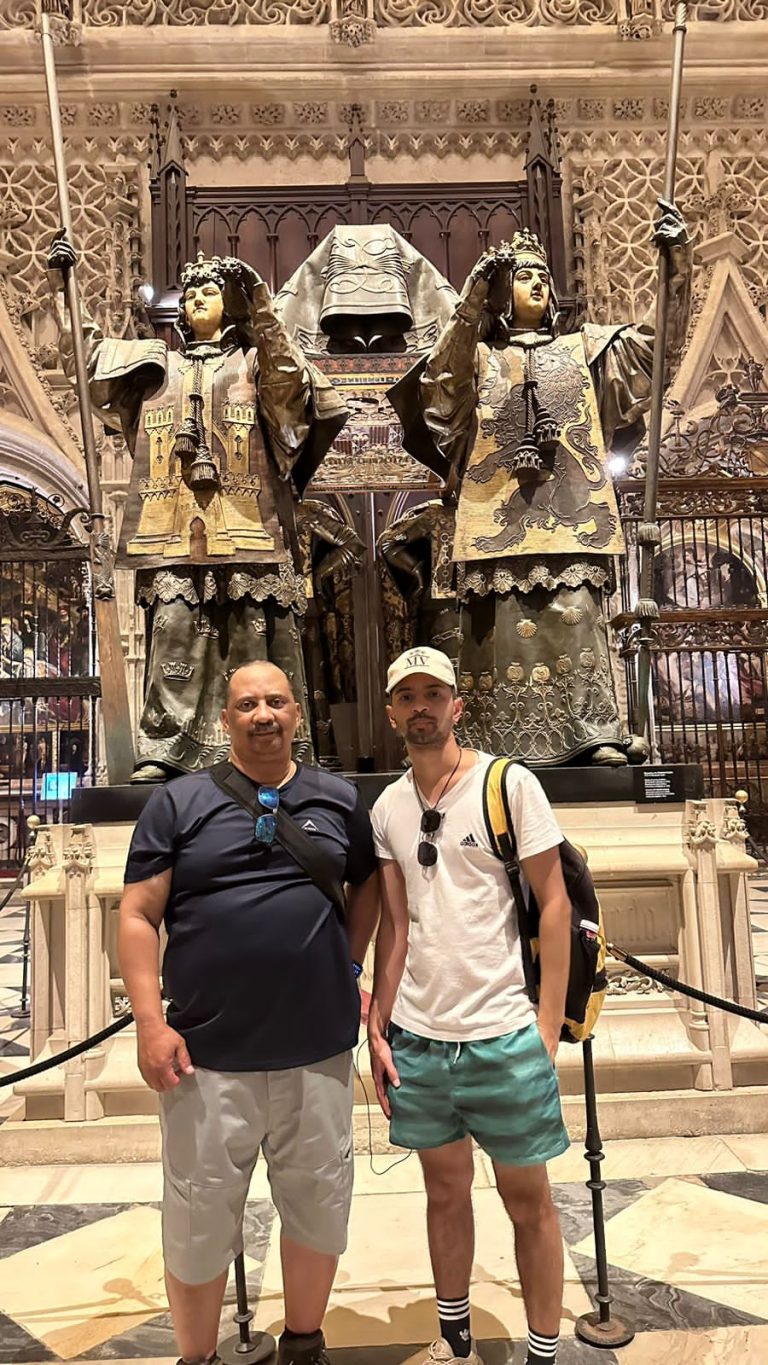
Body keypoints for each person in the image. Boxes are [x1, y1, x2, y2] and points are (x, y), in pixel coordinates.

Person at [118, 660, 379, 1365]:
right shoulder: (178, 804)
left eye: (276, 701)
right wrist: (150, 1023)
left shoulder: (338, 799)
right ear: (224, 719)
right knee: (199, 1215)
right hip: (206, 1055)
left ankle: (304, 1343)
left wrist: (349, 964)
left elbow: (369, 886)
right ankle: (197, 1357)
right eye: (246, 704)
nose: (263, 714)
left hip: (316, 1048)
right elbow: (138, 913)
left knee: (318, 1205)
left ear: (296, 714)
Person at [390, 204, 691, 767]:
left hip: (572, 515)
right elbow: (438, 390)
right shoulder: (478, 358)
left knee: (575, 622)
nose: (535, 285)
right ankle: (492, 737)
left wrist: (675, 263)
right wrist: (471, 302)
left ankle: (592, 732)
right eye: (522, 276)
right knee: (501, 634)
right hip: (496, 518)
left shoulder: (587, 352)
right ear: (500, 294)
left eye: (542, 278)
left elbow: (658, 349)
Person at [48, 234, 348, 781]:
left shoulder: (255, 363)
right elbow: (90, 364)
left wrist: (260, 303)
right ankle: (167, 747)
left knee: (252, 638)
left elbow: (294, 393)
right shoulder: (157, 366)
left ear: (229, 304)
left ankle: (269, 745)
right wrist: (64, 288)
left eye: (209, 292)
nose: (196, 301)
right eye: (188, 295)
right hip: (172, 527)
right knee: (175, 634)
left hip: (249, 523)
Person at [368, 646, 571, 1365]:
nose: (421, 706)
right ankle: (455, 1337)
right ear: (392, 713)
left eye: (434, 693)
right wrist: (378, 1024)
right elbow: (395, 925)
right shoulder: (388, 807)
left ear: (457, 704)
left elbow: (554, 904)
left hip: (504, 1032)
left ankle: (543, 1350)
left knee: (528, 1200)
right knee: (445, 1192)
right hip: (421, 1037)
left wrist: (546, 1028)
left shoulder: (507, 784)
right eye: (407, 696)